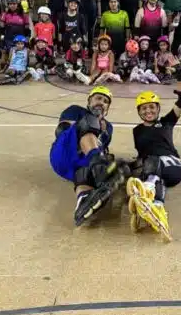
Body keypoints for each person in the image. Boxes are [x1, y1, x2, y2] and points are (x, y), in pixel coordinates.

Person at [49, 86, 132, 225]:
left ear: (108, 108)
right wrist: (93, 125)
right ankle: (99, 169)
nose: (101, 102)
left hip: (75, 168)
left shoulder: (108, 127)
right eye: (98, 98)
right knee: (90, 123)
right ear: (89, 101)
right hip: (63, 154)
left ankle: (84, 198)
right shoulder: (76, 110)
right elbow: (61, 131)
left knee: (115, 164)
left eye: (105, 101)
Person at [127, 75, 181, 242]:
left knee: (152, 163)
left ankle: (146, 194)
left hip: (172, 165)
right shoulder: (137, 131)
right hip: (154, 170)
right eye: (144, 108)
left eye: (152, 107)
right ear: (139, 111)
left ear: (158, 108)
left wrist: (178, 72)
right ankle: (157, 207)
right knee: (141, 169)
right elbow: (142, 154)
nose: (148, 111)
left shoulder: (167, 121)